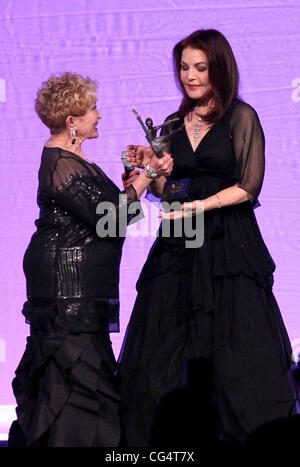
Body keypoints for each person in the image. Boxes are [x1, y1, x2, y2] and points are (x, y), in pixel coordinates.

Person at [117, 29, 296, 446]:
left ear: (219, 67)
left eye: (200, 67)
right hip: (179, 242)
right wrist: (153, 170)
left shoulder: (241, 116)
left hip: (227, 242)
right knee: (163, 351)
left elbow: (250, 185)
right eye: (184, 67)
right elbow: (167, 193)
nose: (190, 76)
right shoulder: (172, 124)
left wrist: (203, 206)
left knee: (238, 349)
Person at [8, 72, 173, 447]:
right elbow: (109, 217)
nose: (99, 116)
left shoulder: (76, 158)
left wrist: (135, 180)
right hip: (66, 290)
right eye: (93, 109)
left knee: (86, 389)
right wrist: (147, 175)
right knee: (74, 389)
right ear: (72, 121)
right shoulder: (60, 162)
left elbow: (117, 217)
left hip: (84, 289)